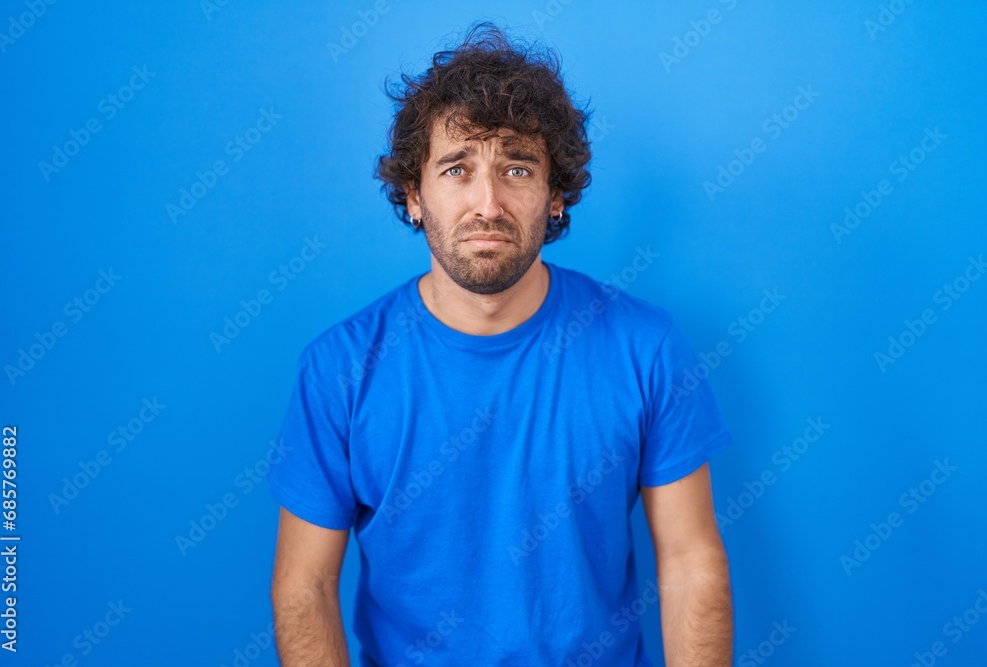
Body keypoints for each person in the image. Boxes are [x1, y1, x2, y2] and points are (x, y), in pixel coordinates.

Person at [266, 20, 734, 667]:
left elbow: (689, 560)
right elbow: (305, 585)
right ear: (413, 196)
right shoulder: (339, 369)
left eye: (517, 167)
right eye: (457, 169)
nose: (487, 202)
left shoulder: (645, 348)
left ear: (557, 197)